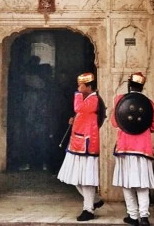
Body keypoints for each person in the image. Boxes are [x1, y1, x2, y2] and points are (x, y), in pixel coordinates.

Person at [111, 71, 154, 226]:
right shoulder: (150, 103)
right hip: (143, 149)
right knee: (142, 184)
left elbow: (114, 123)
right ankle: (144, 217)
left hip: (125, 148)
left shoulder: (119, 100)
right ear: (142, 86)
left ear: (129, 85)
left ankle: (132, 215)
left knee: (127, 183)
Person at [57, 71, 106, 221]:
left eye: (81, 85)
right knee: (75, 177)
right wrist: (76, 119)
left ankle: (88, 209)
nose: (78, 88)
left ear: (88, 86)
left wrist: (78, 95)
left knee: (86, 178)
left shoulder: (94, 99)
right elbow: (81, 113)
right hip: (77, 143)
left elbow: (79, 108)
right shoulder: (88, 100)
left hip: (87, 144)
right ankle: (94, 200)